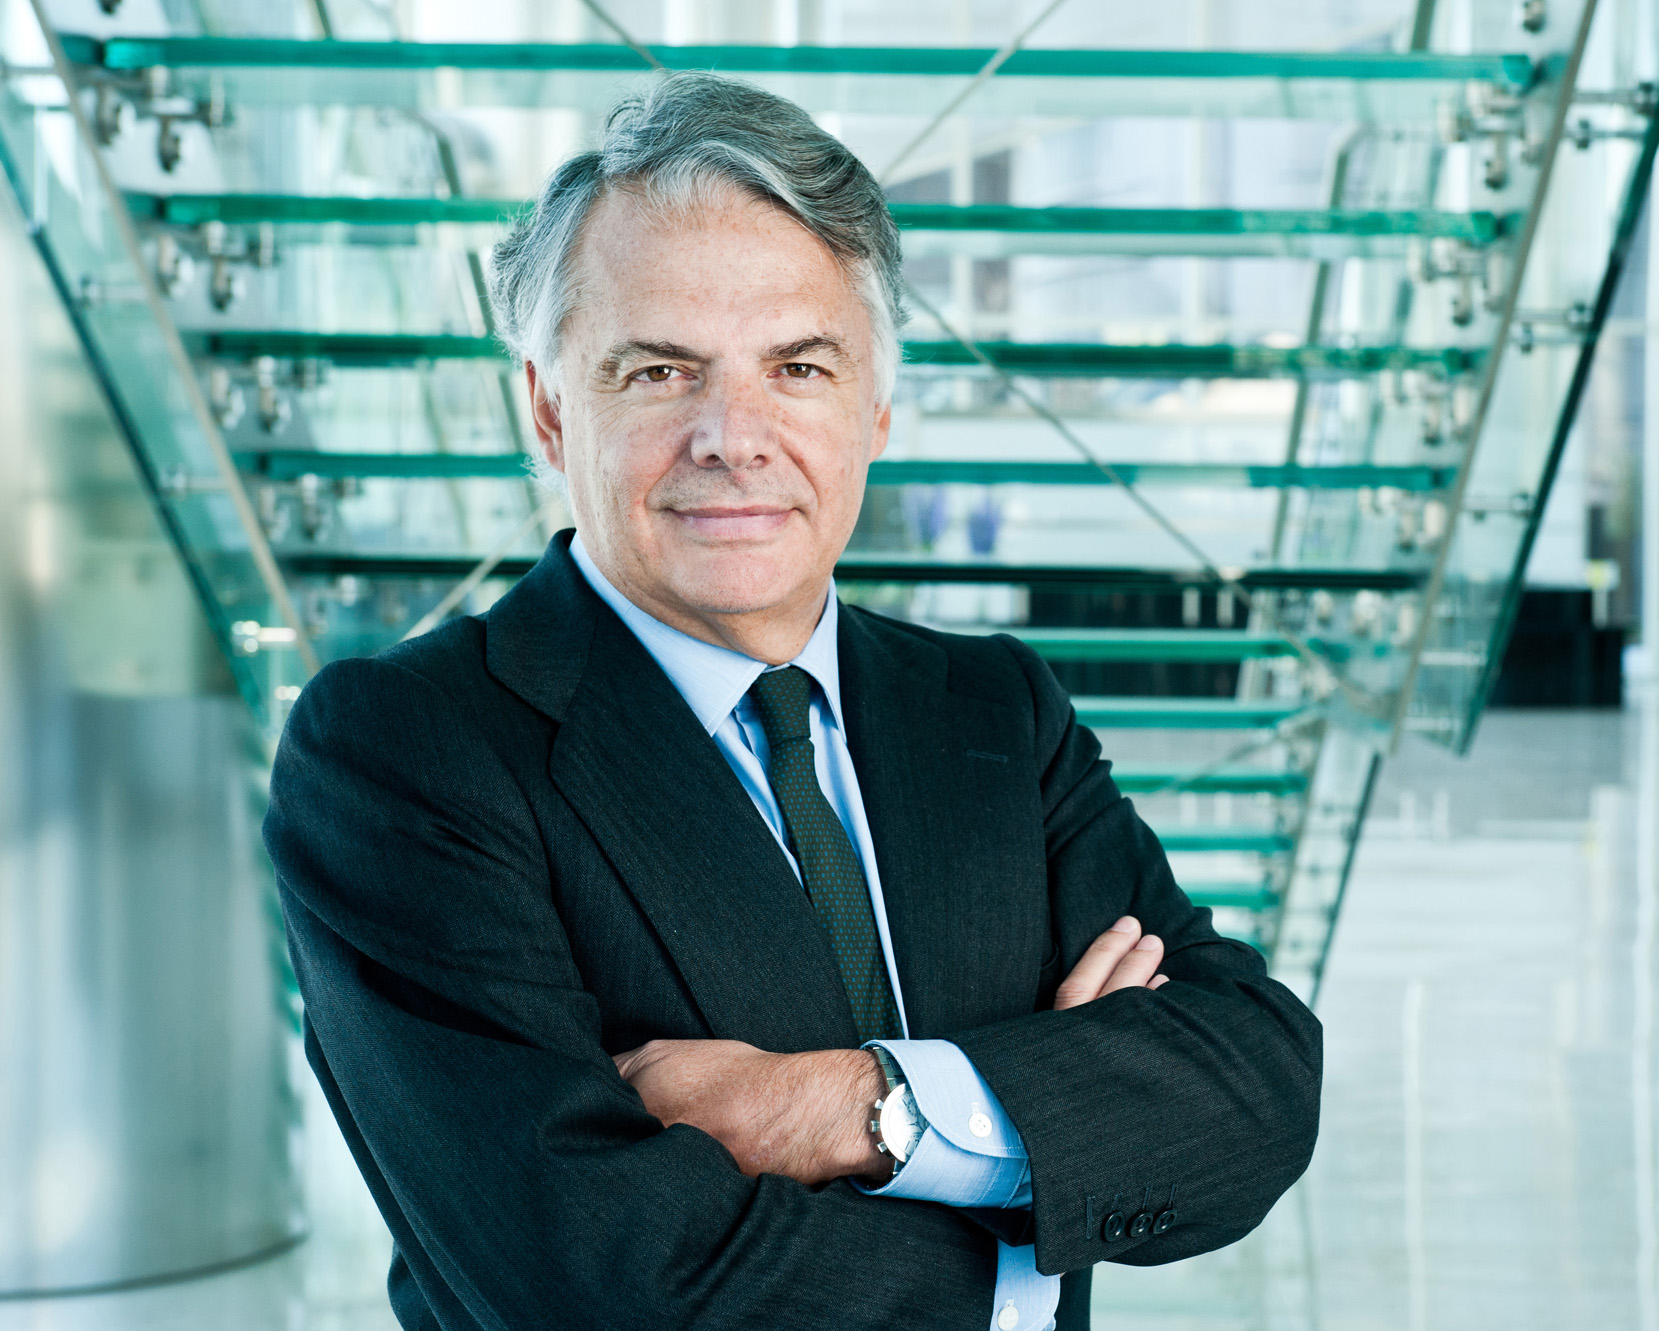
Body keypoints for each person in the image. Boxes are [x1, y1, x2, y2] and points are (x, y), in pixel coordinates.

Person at [265, 71, 1321, 1331]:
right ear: (547, 410)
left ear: (874, 406)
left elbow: (1251, 1083)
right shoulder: (404, 749)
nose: (733, 433)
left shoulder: (990, 712)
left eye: (798, 365)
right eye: (659, 370)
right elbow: (593, 1278)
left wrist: (847, 1109)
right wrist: (1032, 1197)